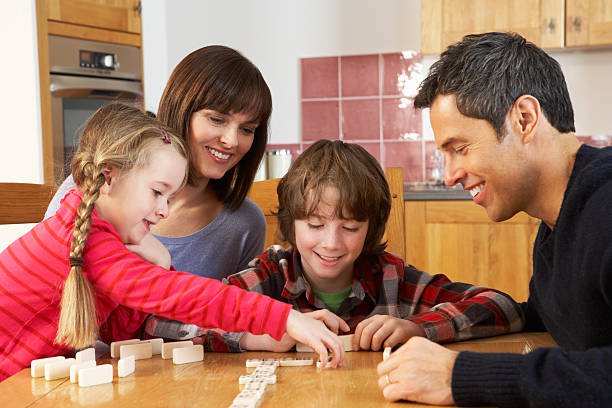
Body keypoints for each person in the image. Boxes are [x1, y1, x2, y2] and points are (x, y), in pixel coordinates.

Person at [0, 104, 345, 381]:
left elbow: (120, 329)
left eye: (170, 196)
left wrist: (156, 263)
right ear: (108, 178)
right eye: (156, 192)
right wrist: (286, 319)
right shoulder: (89, 242)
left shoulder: (97, 236)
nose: (164, 210)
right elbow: (186, 297)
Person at [377, 32, 612, 407]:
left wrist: (461, 377)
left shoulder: (606, 206)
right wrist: (421, 327)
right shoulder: (558, 220)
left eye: (460, 148)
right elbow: (543, 317)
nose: (451, 174)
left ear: (524, 119)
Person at [144, 139, 524, 353]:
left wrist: (417, 329)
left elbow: (504, 307)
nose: (331, 243)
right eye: (314, 224)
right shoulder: (272, 274)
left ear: (371, 229)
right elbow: (161, 320)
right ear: (291, 224)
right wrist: (261, 333)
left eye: (350, 227)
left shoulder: (391, 276)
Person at [45, 45, 270, 280]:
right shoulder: (99, 180)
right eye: (216, 119)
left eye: (247, 129)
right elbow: (46, 280)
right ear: (181, 108)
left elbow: (232, 311)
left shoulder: (244, 224)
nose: (231, 141)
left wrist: (162, 270)